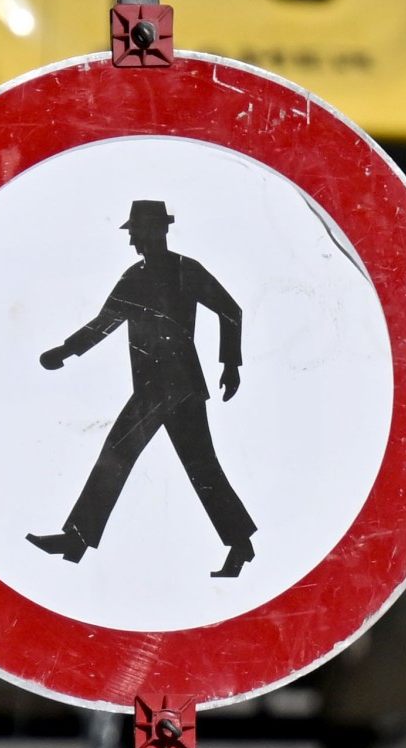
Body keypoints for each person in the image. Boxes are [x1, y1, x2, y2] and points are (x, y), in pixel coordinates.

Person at [31, 198, 255, 578]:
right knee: (192, 464)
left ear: (157, 230)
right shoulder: (134, 277)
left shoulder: (186, 270)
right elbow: (104, 323)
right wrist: (66, 352)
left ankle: (77, 540)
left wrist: (230, 364)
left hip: (178, 385)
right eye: (132, 231)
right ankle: (240, 545)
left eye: (137, 230)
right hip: (155, 386)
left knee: (126, 455)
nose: (133, 238)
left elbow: (230, 309)